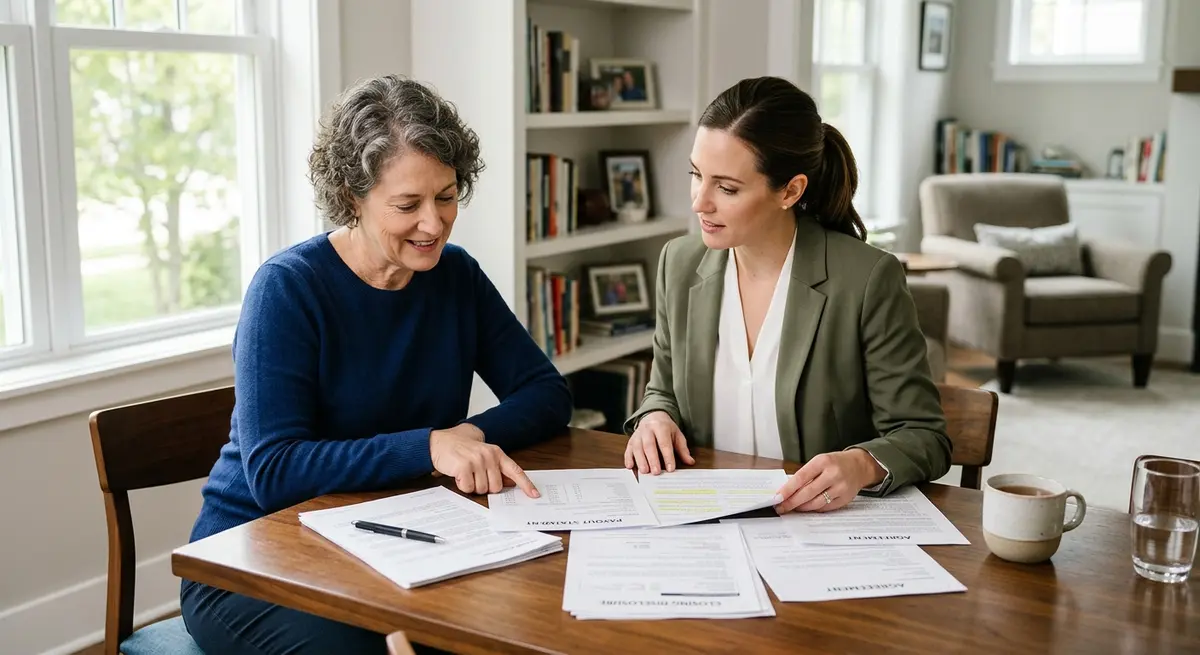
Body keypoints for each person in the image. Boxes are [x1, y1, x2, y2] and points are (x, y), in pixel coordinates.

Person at [180, 75, 573, 654]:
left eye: (446, 196)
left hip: (397, 538)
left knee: (515, 623)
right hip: (255, 560)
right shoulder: (288, 289)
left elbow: (546, 393)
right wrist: (429, 447)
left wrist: (464, 434)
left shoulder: (455, 275)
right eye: (407, 205)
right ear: (352, 196)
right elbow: (274, 471)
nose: (434, 224)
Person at [622, 76, 951, 514]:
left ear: (791, 190)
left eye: (726, 187)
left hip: (817, 527)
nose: (700, 202)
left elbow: (923, 434)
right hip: (703, 516)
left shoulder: (868, 279)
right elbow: (663, 390)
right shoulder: (678, 264)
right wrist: (654, 418)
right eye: (696, 175)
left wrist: (860, 464)